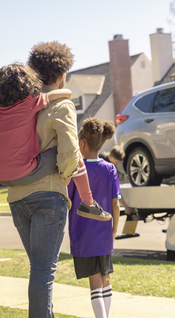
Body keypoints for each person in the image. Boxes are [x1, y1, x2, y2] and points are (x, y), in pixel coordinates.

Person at [0, 41, 79, 318]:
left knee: (38, 268)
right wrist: (63, 174)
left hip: (17, 199)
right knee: (42, 270)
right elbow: (71, 154)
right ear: (62, 75)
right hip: (48, 196)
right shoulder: (60, 104)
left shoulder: (19, 104)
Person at [0, 63, 110, 221]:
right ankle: (88, 202)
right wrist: (66, 176)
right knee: (72, 150)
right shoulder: (31, 102)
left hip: (2, 176)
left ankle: (88, 202)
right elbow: (66, 93)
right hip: (26, 174)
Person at [67, 118, 121, 318]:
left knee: (94, 283)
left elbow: (69, 200)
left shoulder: (76, 170)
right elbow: (115, 204)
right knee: (105, 278)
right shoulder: (110, 169)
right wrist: (114, 231)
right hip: (105, 233)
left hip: (84, 234)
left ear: (81, 144)